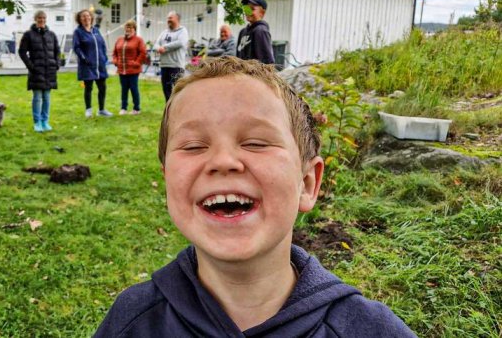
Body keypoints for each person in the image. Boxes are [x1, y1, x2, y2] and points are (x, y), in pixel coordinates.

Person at [94, 57, 416, 337]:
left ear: (306, 184)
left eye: (256, 143)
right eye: (193, 146)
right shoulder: (129, 321)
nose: (222, 161)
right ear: (168, 182)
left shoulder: (370, 329)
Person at [18, 10, 60, 132]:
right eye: (39, 18)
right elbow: (22, 52)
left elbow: (57, 51)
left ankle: (45, 121)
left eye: (44, 18)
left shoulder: (51, 35)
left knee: (47, 97)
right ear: (35, 19)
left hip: (49, 71)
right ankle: (37, 122)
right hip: (36, 70)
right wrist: (31, 66)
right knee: (37, 97)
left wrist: (56, 64)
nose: (41, 20)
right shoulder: (28, 35)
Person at [73, 9, 112, 118]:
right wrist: (84, 58)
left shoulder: (95, 30)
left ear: (91, 17)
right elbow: (76, 47)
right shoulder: (78, 32)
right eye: (83, 16)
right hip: (87, 65)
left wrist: (104, 57)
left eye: (88, 16)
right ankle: (88, 109)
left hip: (100, 64)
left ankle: (102, 110)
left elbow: (102, 44)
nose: (86, 18)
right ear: (80, 19)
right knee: (88, 87)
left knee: (102, 87)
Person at [112, 20, 146, 115]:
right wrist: (115, 61)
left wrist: (136, 63)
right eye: (127, 27)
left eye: (130, 27)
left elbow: (143, 53)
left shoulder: (138, 40)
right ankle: (123, 108)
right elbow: (114, 52)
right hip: (122, 69)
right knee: (124, 89)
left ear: (134, 29)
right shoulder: (119, 39)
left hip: (133, 70)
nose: (128, 29)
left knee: (133, 88)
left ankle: (136, 108)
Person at [153, 11, 188, 101]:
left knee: (178, 91)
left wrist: (164, 47)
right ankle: (169, 111)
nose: (168, 20)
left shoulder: (183, 31)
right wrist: (158, 48)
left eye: (170, 18)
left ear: (177, 19)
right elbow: (155, 45)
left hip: (176, 66)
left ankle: (179, 111)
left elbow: (180, 42)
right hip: (164, 66)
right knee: (166, 91)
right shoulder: (164, 32)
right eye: (168, 18)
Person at [237, 0, 275, 64]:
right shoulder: (242, 32)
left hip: (253, 74)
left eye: (252, 9)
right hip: (241, 73)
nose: (248, 12)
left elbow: (267, 61)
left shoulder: (260, 31)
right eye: (247, 8)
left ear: (262, 13)